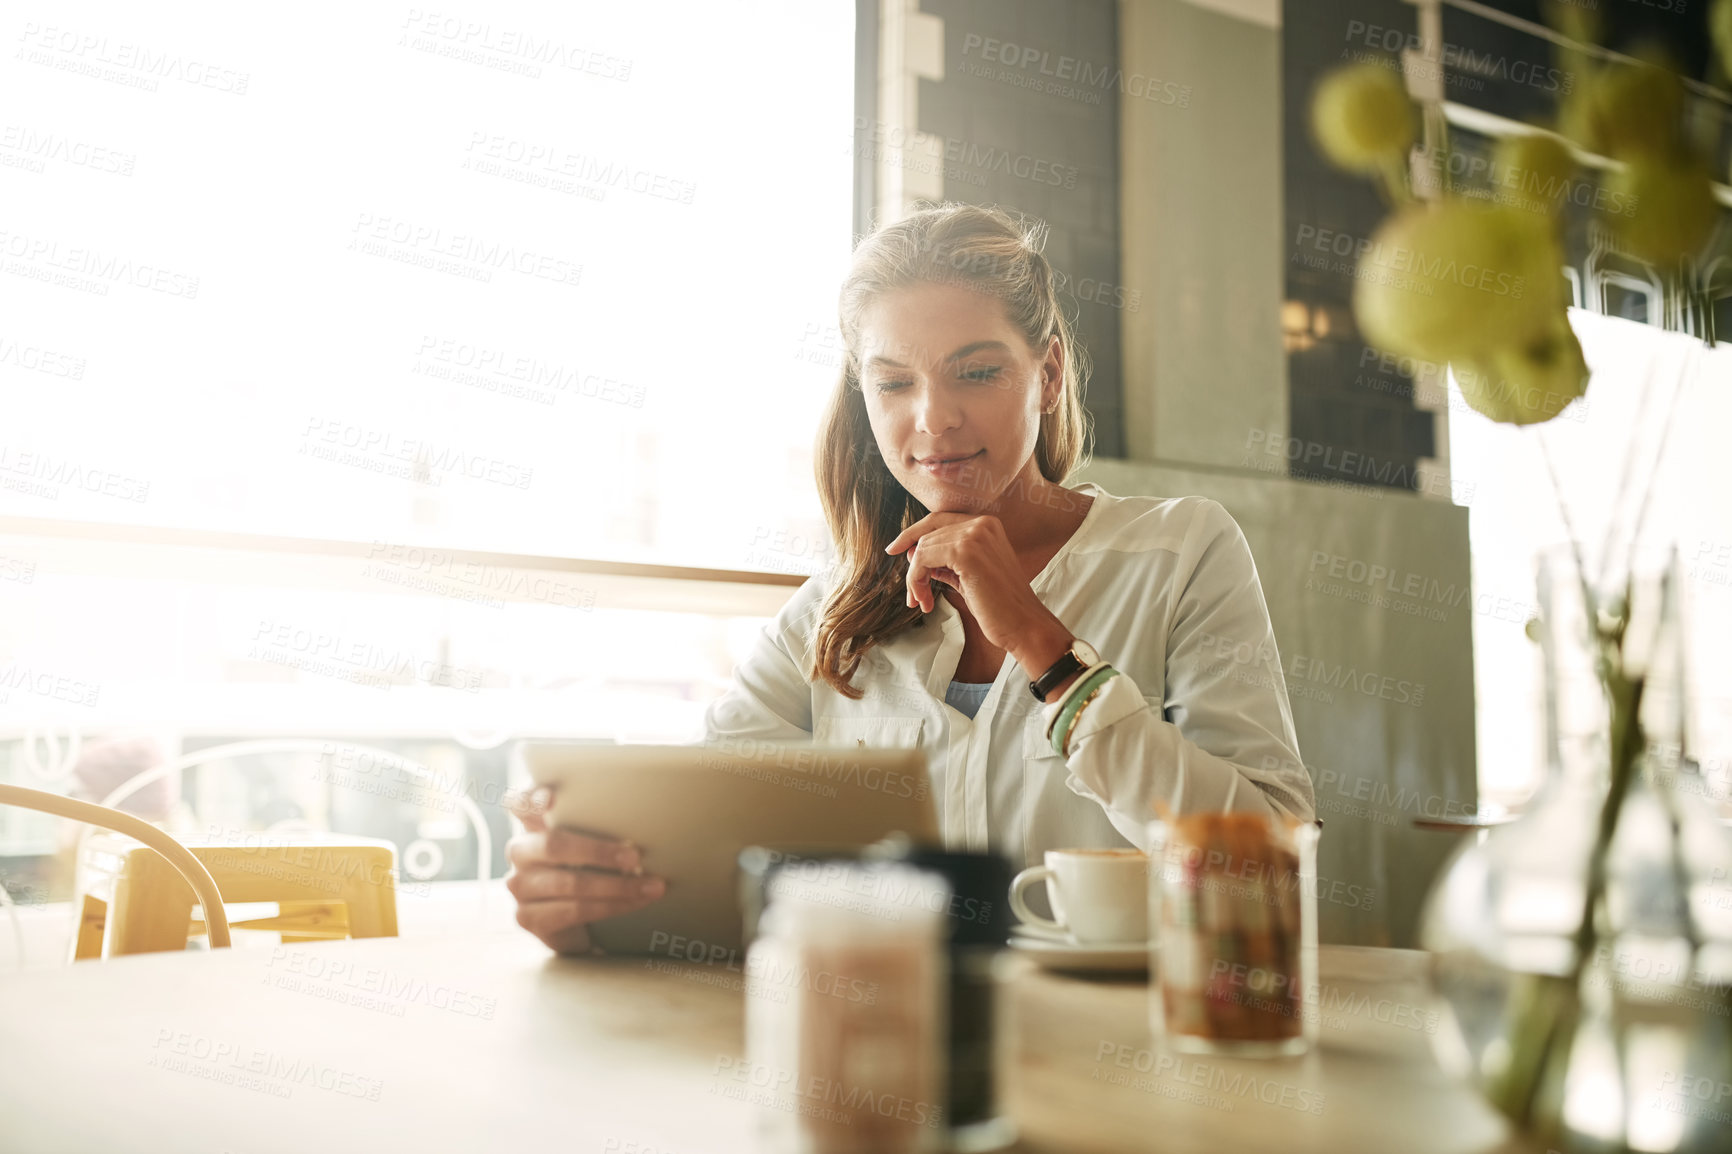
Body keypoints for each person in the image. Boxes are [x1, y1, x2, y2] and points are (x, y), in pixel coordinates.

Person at [508, 202, 1315, 954]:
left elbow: (1272, 864)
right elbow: (702, 854)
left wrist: (1043, 645)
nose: (933, 419)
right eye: (894, 382)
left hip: (1126, 1064)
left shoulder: (1182, 551)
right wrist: (591, 902)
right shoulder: (831, 610)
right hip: (887, 1065)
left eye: (976, 372)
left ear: (1049, 374)